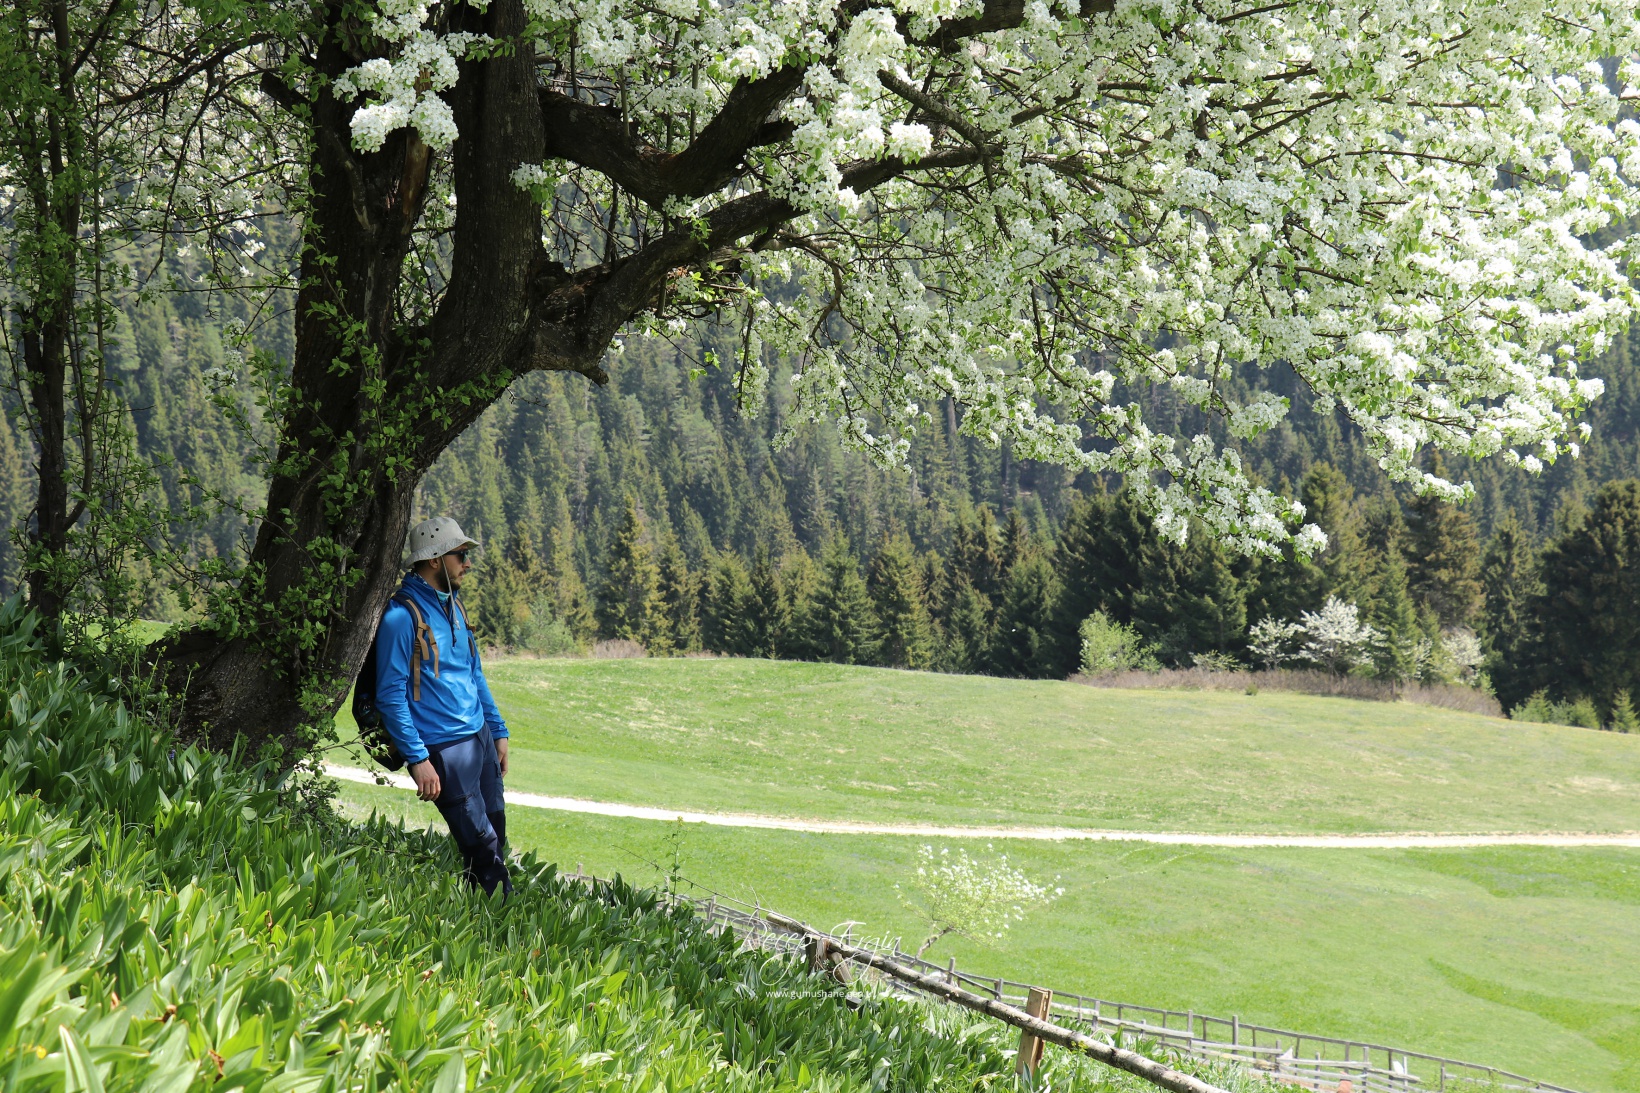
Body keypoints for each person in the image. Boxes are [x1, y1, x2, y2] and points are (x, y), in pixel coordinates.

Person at [376, 516, 512, 895]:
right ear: (435, 559)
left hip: (479, 736)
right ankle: (506, 917)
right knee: (481, 845)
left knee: (495, 831)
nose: (467, 563)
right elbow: (389, 695)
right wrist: (418, 758)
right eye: (461, 555)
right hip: (443, 748)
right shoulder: (401, 617)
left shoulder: (454, 606)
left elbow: (474, 674)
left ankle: (475, 911)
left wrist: (497, 731)